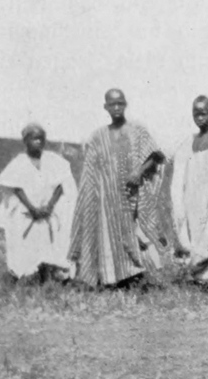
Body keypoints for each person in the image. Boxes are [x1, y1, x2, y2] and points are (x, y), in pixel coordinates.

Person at [68, 89, 166, 287]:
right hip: (107, 199)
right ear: (105, 107)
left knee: (134, 236)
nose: (116, 107)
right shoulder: (98, 136)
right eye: (112, 104)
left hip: (132, 195)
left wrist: (139, 171)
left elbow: (156, 155)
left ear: (125, 104)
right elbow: (90, 171)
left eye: (120, 103)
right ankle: (111, 278)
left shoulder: (137, 130)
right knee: (109, 236)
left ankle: (135, 276)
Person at [0, 123, 78, 281]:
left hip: (49, 208)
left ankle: (50, 270)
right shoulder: (19, 162)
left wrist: (50, 206)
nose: (38, 142)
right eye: (34, 138)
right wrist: (32, 208)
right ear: (25, 141)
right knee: (25, 239)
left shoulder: (53, 160)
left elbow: (61, 184)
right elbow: (16, 187)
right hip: (27, 209)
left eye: (41, 138)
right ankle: (26, 273)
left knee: (53, 236)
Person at [171, 95, 208, 280]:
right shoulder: (189, 142)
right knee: (194, 235)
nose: (200, 118)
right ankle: (199, 276)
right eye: (196, 114)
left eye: (203, 113)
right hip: (192, 197)